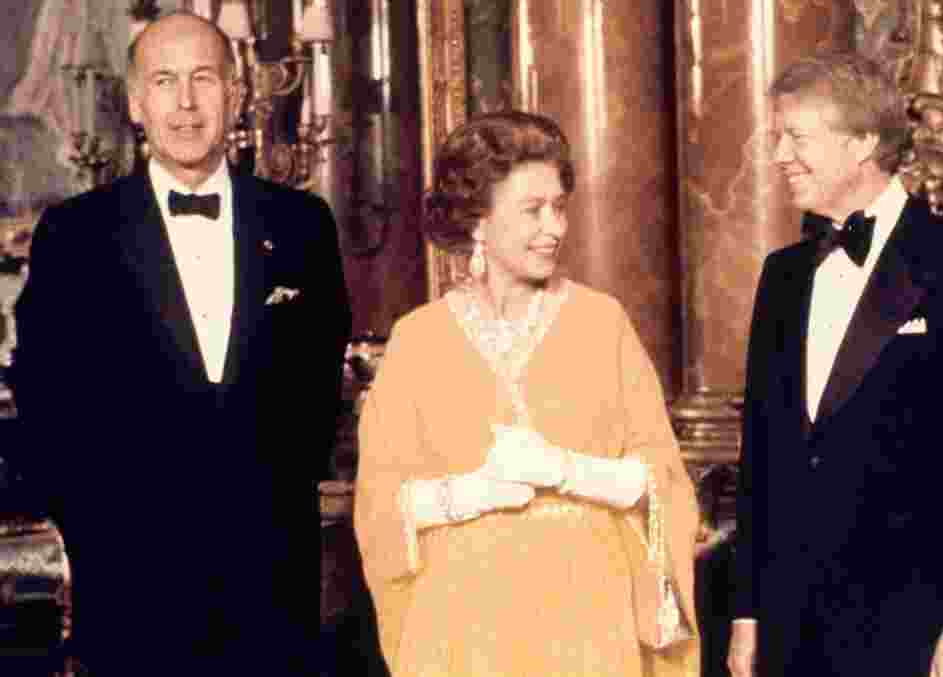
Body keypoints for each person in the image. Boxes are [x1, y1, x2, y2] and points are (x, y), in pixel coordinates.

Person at [9, 11, 351, 676]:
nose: (186, 103)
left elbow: (314, 397)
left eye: (204, 79)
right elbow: (45, 405)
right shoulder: (75, 236)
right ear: (136, 102)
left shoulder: (303, 226)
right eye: (165, 82)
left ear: (238, 92)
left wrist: (269, 506)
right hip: (132, 594)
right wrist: (100, 535)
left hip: (271, 591)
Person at [353, 111, 701, 676]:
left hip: (588, 617)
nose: (555, 227)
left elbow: (661, 483)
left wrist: (564, 470)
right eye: (532, 210)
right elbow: (379, 507)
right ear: (478, 222)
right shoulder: (418, 339)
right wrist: (472, 493)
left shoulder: (601, 322)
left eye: (559, 206)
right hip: (463, 627)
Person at [728, 52, 943, 677]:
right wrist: (747, 613)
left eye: (796, 137)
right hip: (789, 626)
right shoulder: (782, 276)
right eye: (779, 136)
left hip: (916, 625)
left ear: (863, 142)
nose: (779, 154)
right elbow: (763, 454)